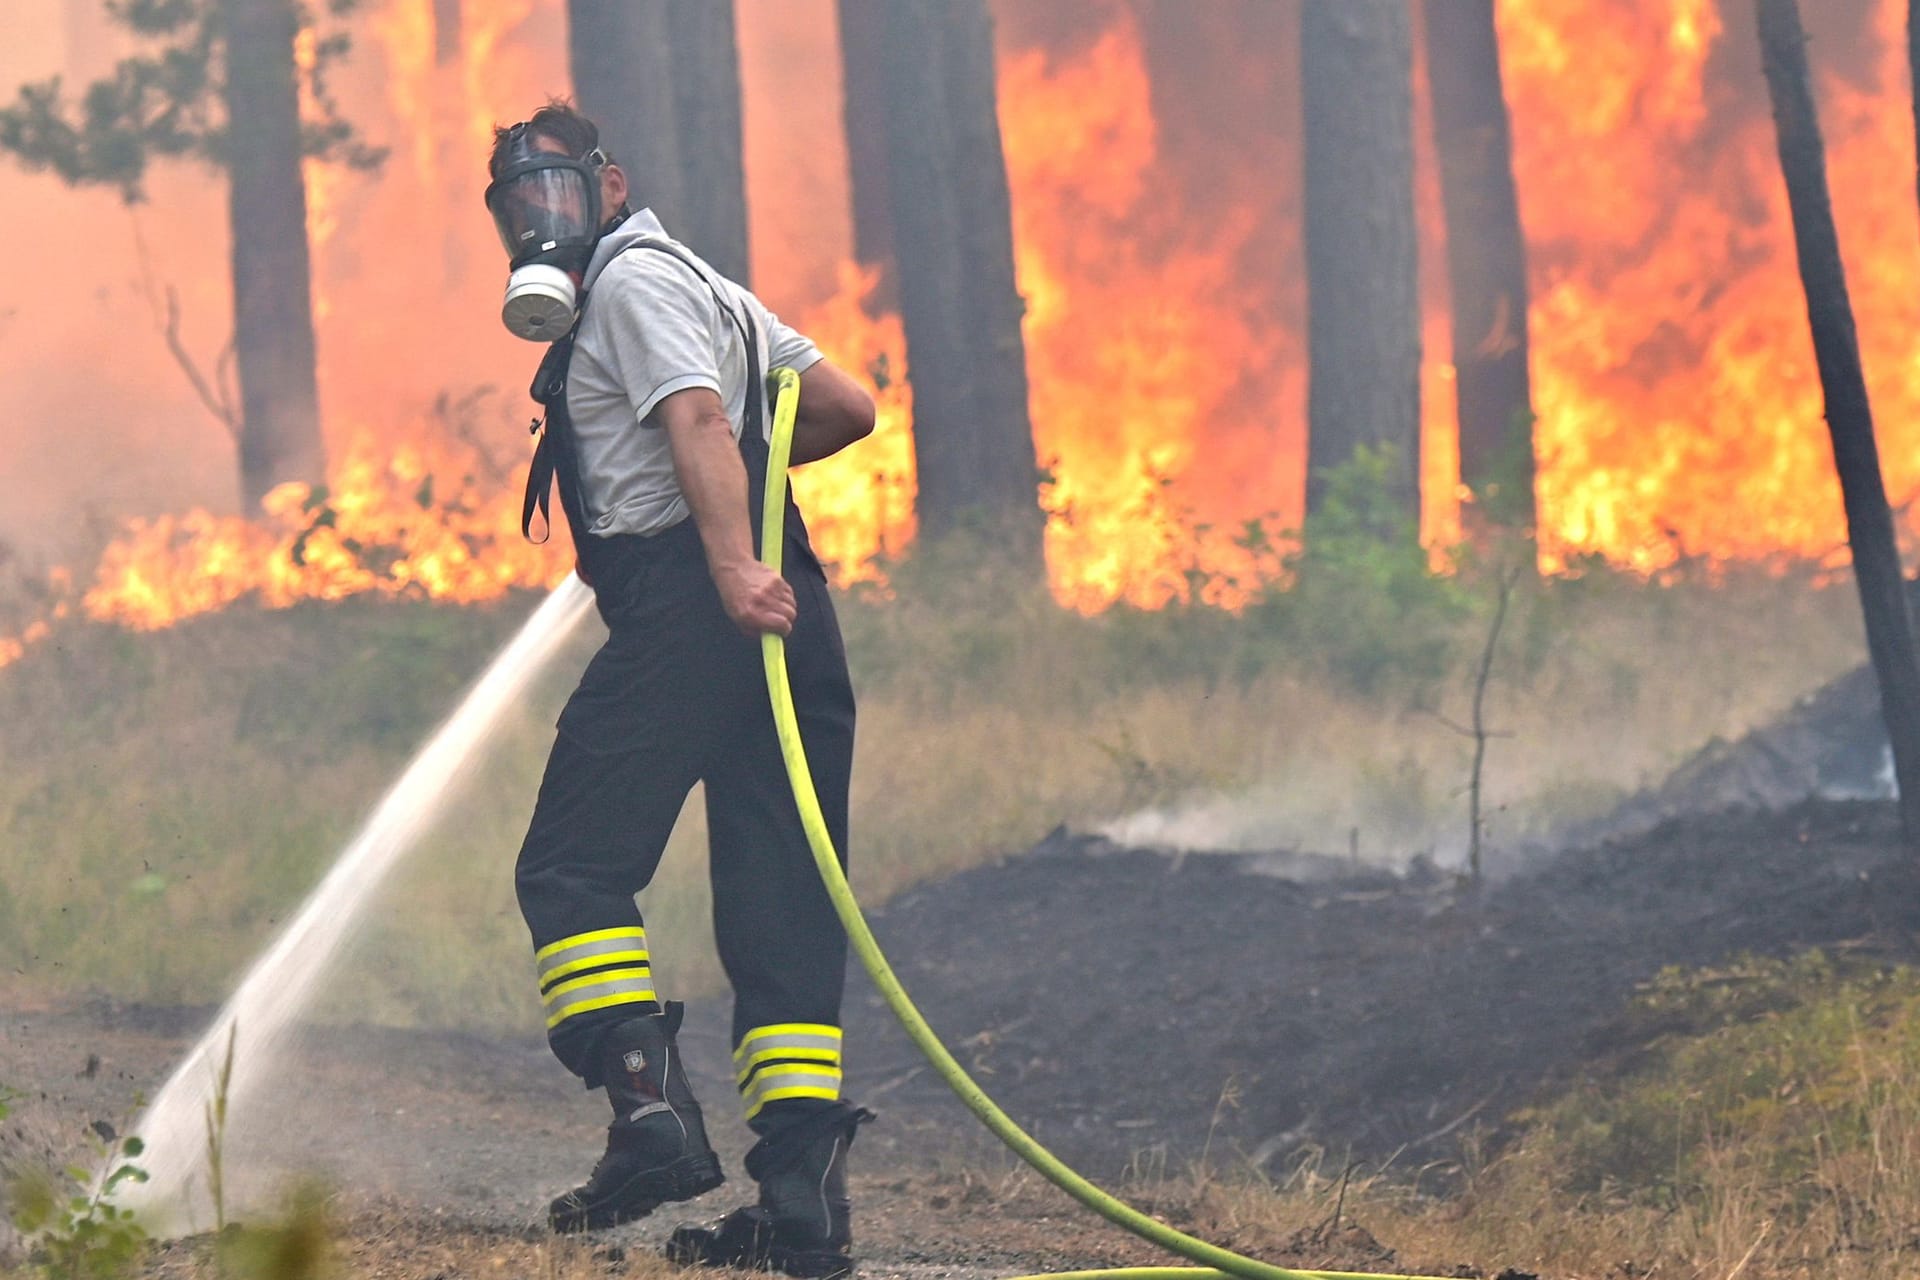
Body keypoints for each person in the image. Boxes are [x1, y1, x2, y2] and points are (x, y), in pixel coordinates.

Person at [484, 102, 877, 1279]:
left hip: (702, 606)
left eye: (557, 190)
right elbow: (847, 406)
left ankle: (648, 1118)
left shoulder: (639, 284)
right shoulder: (710, 286)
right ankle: (803, 1205)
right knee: (781, 907)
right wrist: (751, 506)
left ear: (610, 187)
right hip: (787, 617)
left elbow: (697, 416)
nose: (540, 219)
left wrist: (728, 557)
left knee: (568, 865)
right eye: (518, 205)